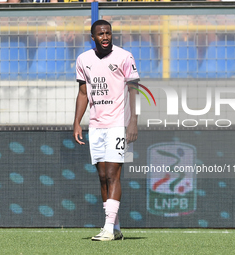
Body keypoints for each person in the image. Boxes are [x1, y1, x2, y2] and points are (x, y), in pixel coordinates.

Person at [73, 19, 139, 241]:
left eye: (108, 33)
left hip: (119, 125)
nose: (105, 37)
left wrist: (133, 122)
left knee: (113, 174)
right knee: (102, 176)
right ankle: (116, 228)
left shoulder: (124, 56)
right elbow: (83, 93)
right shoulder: (83, 59)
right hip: (96, 126)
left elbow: (134, 91)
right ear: (93, 37)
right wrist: (76, 122)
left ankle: (108, 228)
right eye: (100, 34)